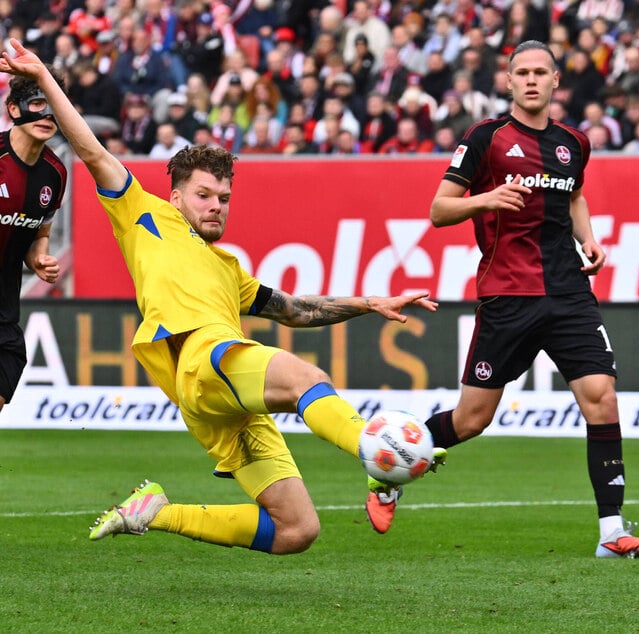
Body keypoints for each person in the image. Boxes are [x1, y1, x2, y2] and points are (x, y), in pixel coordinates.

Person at [0, 39, 438, 555]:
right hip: (200, 358)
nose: (215, 207)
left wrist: (370, 303)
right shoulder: (144, 214)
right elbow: (92, 149)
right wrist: (46, 78)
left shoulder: (230, 270)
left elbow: (296, 310)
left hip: (219, 398)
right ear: (176, 195)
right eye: (204, 195)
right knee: (307, 379)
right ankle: (375, 453)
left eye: (224, 198)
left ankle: (158, 512)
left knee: (297, 530)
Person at [384, 40, 639, 559]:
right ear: (509, 82)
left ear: (557, 80)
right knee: (471, 420)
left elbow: (573, 194)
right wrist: (487, 198)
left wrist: (590, 239)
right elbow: (439, 210)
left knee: (601, 397)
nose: (532, 80)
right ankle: (390, 459)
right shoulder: (485, 139)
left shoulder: (573, 142)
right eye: (522, 73)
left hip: (569, 293)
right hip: (508, 295)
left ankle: (612, 533)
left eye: (541, 72)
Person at [0, 71, 68, 413]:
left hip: (4, 310)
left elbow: (38, 232)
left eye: (54, 107)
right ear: (14, 109)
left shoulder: (55, 173)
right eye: (38, 104)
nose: (47, 116)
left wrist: (39, 258)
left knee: (9, 365)